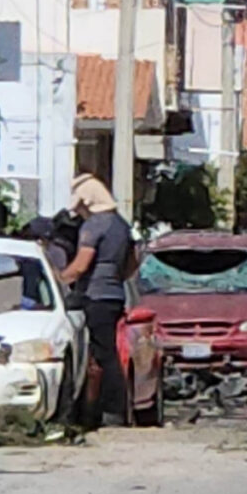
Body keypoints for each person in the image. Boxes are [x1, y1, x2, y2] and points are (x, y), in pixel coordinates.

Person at [59, 174, 139, 426]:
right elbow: (133, 264)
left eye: (81, 206)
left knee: (101, 354)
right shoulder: (121, 225)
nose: (79, 212)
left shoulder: (94, 226)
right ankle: (112, 410)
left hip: (94, 296)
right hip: (114, 295)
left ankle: (109, 411)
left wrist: (58, 279)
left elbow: (81, 266)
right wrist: (114, 277)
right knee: (108, 352)